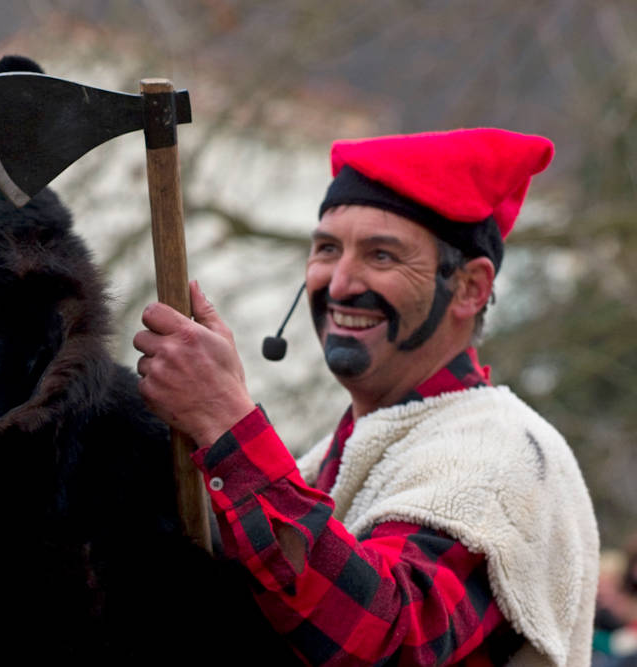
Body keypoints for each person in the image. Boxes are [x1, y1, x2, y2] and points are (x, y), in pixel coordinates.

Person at [134, 128, 599, 666]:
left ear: (470, 288)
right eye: (328, 249)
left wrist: (226, 424)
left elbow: (391, 643)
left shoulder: (503, 453)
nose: (340, 283)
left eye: (382, 256)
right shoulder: (337, 457)